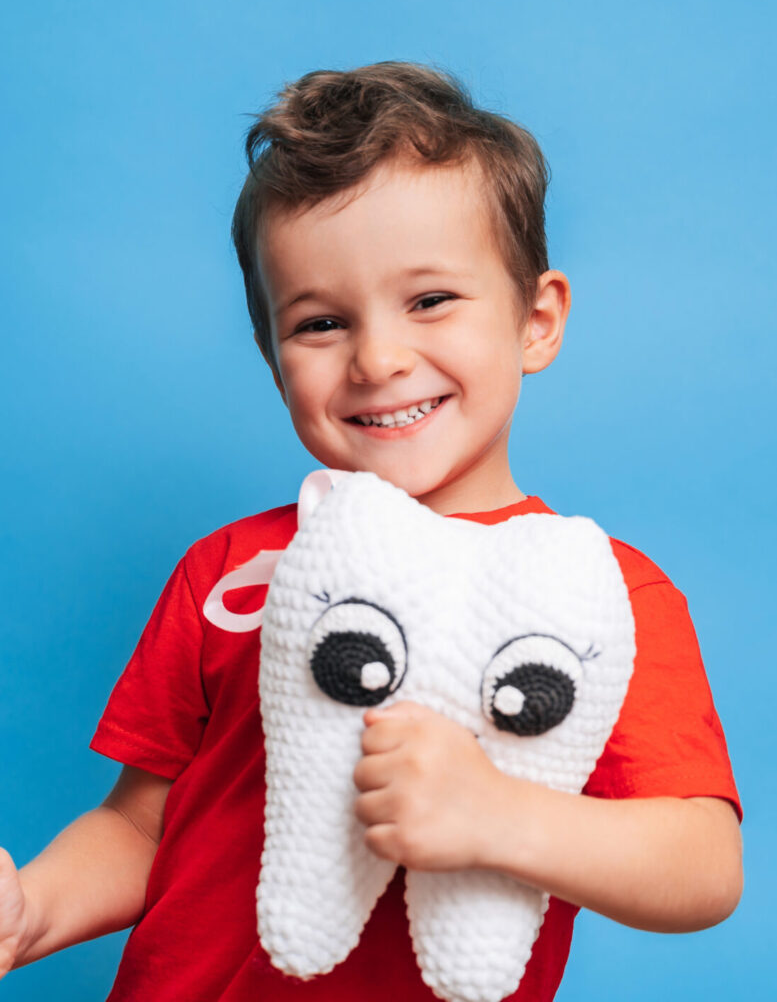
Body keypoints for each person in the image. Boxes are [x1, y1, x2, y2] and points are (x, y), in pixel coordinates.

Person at [0, 62, 743, 1002]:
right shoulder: (231, 574)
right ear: (273, 358)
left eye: (430, 300)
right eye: (319, 322)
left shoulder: (602, 594)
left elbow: (702, 864)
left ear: (536, 319)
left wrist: (498, 817)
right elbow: (139, 829)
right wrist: (30, 911)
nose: (380, 359)